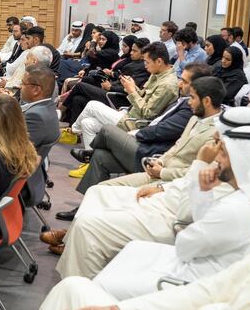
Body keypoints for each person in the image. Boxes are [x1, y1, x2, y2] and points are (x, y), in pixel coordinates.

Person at [37, 151, 250, 310]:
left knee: (73, 289)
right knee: (73, 288)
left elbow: (187, 240)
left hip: (180, 249)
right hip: (185, 266)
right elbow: (210, 289)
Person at [50, 105, 250, 278]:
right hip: (165, 194)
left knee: (88, 227)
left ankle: (83, 281)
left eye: (220, 142)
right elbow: (183, 180)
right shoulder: (223, 159)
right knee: (98, 193)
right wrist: (161, 187)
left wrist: (198, 163)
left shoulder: (230, 173)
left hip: (168, 217)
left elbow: (186, 213)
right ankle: (71, 242)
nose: (215, 146)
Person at [92, 133, 250, 300]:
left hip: (190, 281)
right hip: (193, 259)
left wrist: (200, 167)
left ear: (239, 159)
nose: (216, 157)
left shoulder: (234, 207)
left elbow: (185, 240)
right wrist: (198, 191)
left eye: (222, 152)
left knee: (98, 283)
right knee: (131, 246)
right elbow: (201, 226)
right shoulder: (242, 197)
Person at [58, 74, 223, 220]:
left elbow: (193, 171)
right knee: (101, 156)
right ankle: (80, 214)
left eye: (192, 96)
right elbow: (177, 146)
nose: (180, 84)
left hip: (167, 177)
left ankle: (82, 222)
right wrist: (161, 162)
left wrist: (161, 169)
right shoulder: (195, 118)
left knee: (101, 185)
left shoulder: (215, 134)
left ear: (206, 101)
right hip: (157, 161)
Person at [66, 42, 179, 178]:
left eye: (147, 62)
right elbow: (143, 97)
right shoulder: (157, 75)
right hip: (130, 114)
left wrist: (132, 92)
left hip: (137, 123)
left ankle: (72, 132)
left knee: (92, 105)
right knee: (88, 123)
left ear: (159, 61)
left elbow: (148, 113)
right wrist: (132, 88)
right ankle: (89, 163)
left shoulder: (167, 84)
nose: (145, 65)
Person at [61, 36, 150, 125]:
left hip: (117, 97)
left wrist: (111, 87)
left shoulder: (143, 67)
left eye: (134, 51)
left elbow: (131, 89)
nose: (131, 53)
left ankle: (61, 109)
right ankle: (72, 130)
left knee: (80, 86)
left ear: (143, 53)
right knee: (78, 99)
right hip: (112, 89)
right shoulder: (134, 62)